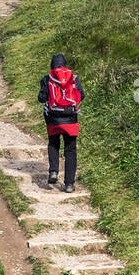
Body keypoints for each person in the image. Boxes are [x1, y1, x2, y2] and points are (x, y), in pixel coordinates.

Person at [38, 53, 85, 192]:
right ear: (65, 64)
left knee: (53, 143)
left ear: (52, 65)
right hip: (71, 119)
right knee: (70, 150)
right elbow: (81, 95)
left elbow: (41, 98)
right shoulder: (74, 78)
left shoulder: (48, 79)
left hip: (52, 119)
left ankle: (53, 171)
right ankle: (69, 184)